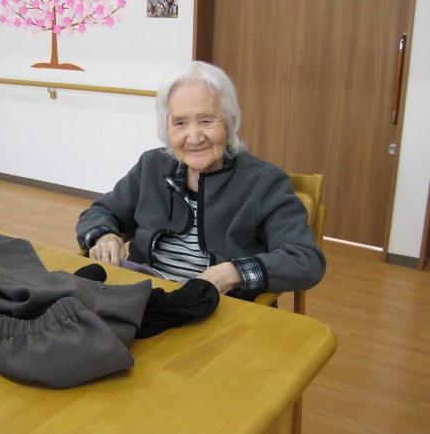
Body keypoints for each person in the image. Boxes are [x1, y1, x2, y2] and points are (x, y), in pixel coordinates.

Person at [76, 61, 325, 300]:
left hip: (220, 306)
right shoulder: (151, 166)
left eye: (206, 120)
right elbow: (100, 212)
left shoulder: (264, 182)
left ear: (229, 121)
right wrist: (105, 236)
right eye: (180, 123)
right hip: (142, 296)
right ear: (166, 127)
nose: (194, 138)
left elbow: (305, 260)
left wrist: (234, 273)